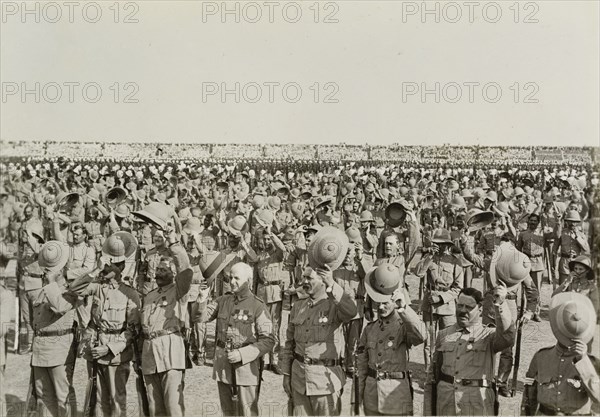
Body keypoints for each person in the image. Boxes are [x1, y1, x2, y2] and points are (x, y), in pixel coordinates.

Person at [68, 231, 141, 417]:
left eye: (110, 265)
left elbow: (132, 331)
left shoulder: (130, 294)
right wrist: (93, 270)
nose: (106, 267)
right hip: (95, 347)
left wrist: (109, 348)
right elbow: (74, 289)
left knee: (116, 401)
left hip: (116, 353)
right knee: (97, 401)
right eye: (106, 264)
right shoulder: (98, 286)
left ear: (120, 268)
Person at [195, 262, 275, 416]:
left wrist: (242, 354)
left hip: (245, 369)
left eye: (237, 278)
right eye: (230, 278)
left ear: (249, 281)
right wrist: (201, 300)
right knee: (228, 412)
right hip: (223, 365)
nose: (232, 282)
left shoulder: (257, 306)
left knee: (247, 412)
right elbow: (200, 318)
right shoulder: (223, 300)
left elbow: (268, 340)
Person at [424, 286, 515, 416]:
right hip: (446, 403)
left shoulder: (488, 335)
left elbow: (508, 336)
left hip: (476, 405)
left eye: (469, 307)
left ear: (480, 309)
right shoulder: (443, 334)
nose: (462, 311)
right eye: (460, 306)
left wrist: (500, 304)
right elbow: (432, 378)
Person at [279, 265, 357, 416]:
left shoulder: (334, 306)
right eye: (303, 277)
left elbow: (352, 311)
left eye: (309, 278)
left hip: (324, 382)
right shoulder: (298, 306)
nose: (304, 282)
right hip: (299, 381)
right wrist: (286, 375)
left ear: (323, 281)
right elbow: (289, 344)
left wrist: (333, 284)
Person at [356, 264, 426, 416]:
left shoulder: (403, 325)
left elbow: (421, 336)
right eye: (378, 303)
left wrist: (404, 309)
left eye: (385, 303)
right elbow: (361, 367)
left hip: (396, 398)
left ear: (394, 301)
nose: (381, 307)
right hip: (371, 398)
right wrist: (358, 399)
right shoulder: (370, 329)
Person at [140, 224, 193, 417]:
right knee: (154, 407)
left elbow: (185, 268)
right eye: (158, 270)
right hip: (149, 354)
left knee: (173, 406)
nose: (158, 273)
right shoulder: (150, 295)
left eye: (164, 270)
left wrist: (173, 242)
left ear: (173, 273)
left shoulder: (179, 291)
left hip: (170, 352)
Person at [521, 292, 600, 415]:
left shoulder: (592, 363)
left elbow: (598, 397)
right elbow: (529, 397)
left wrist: (583, 362)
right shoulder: (541, 357)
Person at [28, 240, 79, 417]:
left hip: (60, 348)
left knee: (63, 396)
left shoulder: (71, 290)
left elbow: (59, 307)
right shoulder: (42, 291)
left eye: (51, 269)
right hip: (40, 349)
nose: (47, 272)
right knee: (43, 397)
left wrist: (51, 282)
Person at [415, 229, 463, 370]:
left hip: (447, 306)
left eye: (442, 244)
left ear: (448, 245)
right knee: (428, 342)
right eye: (437, 243)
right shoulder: (429, 258)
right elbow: (418, 273)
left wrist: (441, 298)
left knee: (447, 341)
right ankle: (429, 372)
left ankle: (444, 370)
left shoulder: (455, 262)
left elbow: (458, 288)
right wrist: (429, 256)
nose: (439, 246)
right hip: (429, 304)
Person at [516, 213, 547, 321]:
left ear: (538, 222)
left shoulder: (542, 234)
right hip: (526, 262)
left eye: (535, 221)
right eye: (531, 220)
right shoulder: (522, 234)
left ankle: (536, 312)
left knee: (537, 288)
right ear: (528, 221)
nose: (532, 222)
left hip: (538, 262)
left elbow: (555, 236)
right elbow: (518, 249)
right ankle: (524, 310)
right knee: (525, 287)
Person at [553, 210, 591, 285]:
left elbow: (586, 249)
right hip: (564, 263)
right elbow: (555, 248)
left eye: (574, 221)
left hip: (576, 264)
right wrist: (553, 263)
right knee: (563, 286)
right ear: (567, 221)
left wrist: (577, 237)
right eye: (570, 221)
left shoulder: (581, 234)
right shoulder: (562, 233)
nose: (572, 223)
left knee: (574, 287)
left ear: (577, 222)